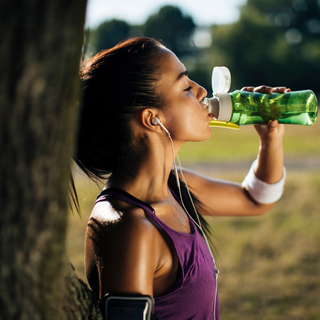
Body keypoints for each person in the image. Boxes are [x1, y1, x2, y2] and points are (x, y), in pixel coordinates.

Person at [75, 37, 289, 320]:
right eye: (186, 87)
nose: (202, 92)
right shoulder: (129, 229)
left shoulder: (176, 187)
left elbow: (256, 199)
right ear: (152, 119)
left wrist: (270, 139)